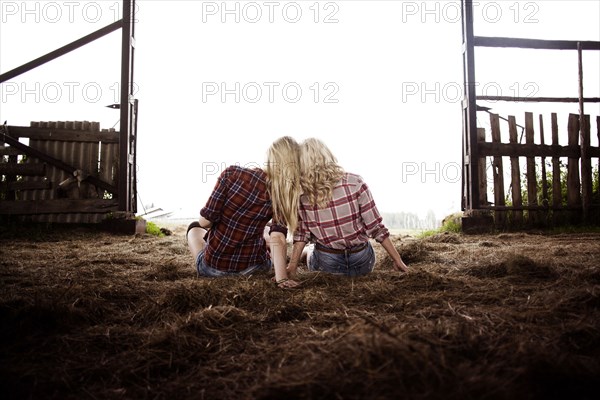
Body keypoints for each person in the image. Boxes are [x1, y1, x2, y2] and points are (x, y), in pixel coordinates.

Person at [186, 136, 301, 289]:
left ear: (271, 157)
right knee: (266, 230)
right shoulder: (280, 194)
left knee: (194, 228)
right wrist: (281, 278)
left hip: (213, 268)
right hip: (253, 268)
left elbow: (205, 222)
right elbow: (278, 237)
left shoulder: (232, 174)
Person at [287, 138, 409, 277]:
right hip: (362, 261)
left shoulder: (303, 195)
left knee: (310, 250)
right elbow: (376, 227)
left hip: (327, 263)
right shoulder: (355, 182)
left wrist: (292, 266)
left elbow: (302, 234)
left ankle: (307, 253)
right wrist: (397, 260)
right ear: (327, 156)